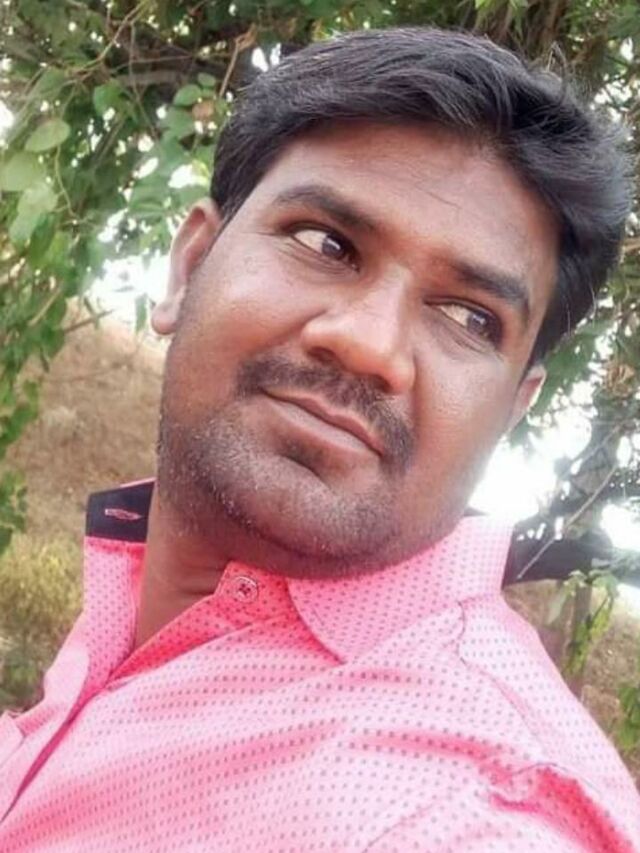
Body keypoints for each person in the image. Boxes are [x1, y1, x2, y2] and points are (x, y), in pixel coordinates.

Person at [0, 26, 638, 852]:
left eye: (469, 317)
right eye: (326, 244)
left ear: (511, 410)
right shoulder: (146, 593)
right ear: (189, 267)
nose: (370, 344)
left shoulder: (461, 813)